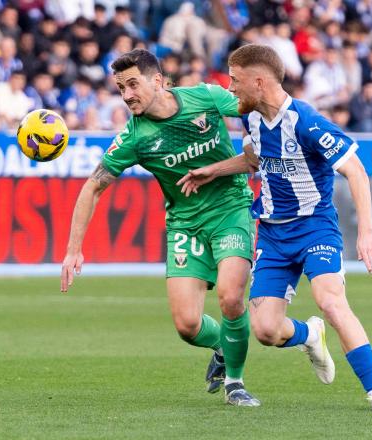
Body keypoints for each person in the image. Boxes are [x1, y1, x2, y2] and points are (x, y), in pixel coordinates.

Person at [177, 44, 372, 413]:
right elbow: (253, 158)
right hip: (274, 235)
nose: (229, 88)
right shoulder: (251, 118)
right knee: (265, 330)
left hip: (315, 228)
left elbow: (356, 170)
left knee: (331, 301)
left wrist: (366, 232)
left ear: (259, 82)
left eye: (235, 80)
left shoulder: (307, 122)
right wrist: (212, 171)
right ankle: (309, 334)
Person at [60, 49, 260, 407]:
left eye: (133, 84)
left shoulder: (206, 97)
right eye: (121, 88)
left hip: (231, 208)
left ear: (158, 80)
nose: (127, 95)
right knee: (187, 325)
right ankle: (221, 346)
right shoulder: (135, 137)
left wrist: (254, 146)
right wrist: (74, 249)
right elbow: (93, 185)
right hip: (185, 222)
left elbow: (256, 107)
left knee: (231, 297)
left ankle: (235, 382)